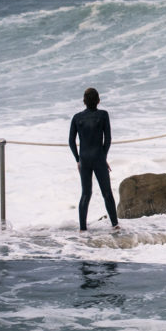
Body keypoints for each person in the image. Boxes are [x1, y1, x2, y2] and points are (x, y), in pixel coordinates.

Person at [69, 87, 119, 232]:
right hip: (98, 157)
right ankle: (115, 225)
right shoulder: (103, 115)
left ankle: (82, 228)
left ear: (84, 101)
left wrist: (78, 159)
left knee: (86, 194)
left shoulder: (77, 118)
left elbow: (71, 142)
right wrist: (103, 156)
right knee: (107, 193)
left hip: (84, 159)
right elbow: (108, 139)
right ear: (98, 100)